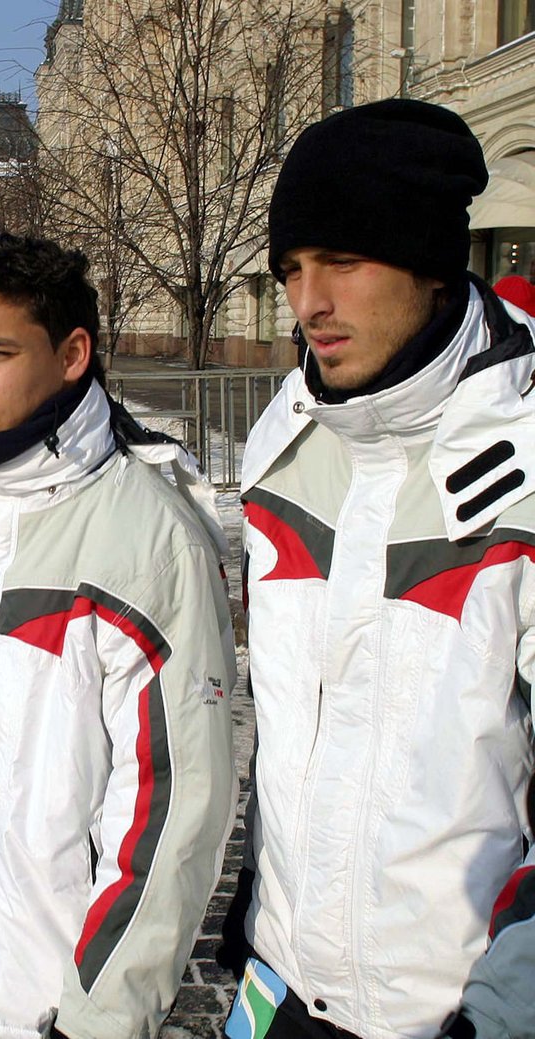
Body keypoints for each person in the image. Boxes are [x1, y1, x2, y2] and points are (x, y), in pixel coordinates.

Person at [0, 233, 237, 1039]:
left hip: (55, 1007)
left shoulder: (149, 535)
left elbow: (173, 810)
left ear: (73, 354)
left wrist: (103, 1017)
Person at [223, 100, 535, 1039]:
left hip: (449, 1014)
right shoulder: (284, 444)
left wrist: (503, 1013)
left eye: (343, 263)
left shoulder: (524, 466)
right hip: (279, 991)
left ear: (430, 262)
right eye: (291, 270)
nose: (308, 302)